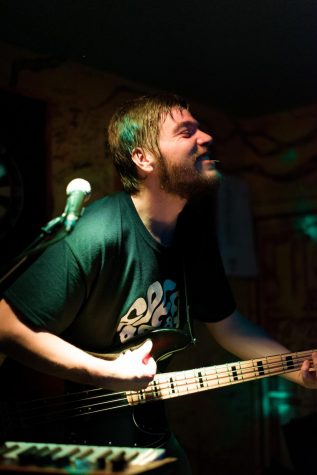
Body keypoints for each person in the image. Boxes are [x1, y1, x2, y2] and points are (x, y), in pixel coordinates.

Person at [0, 93, 316, 474]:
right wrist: (109, 373)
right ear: (144, 158)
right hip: (63, 430)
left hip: (141, 430)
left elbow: (228, 324)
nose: (207, 137)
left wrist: (297, 369)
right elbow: (5, 325)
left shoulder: (194, 234)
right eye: (187, 132)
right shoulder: (97, 232)